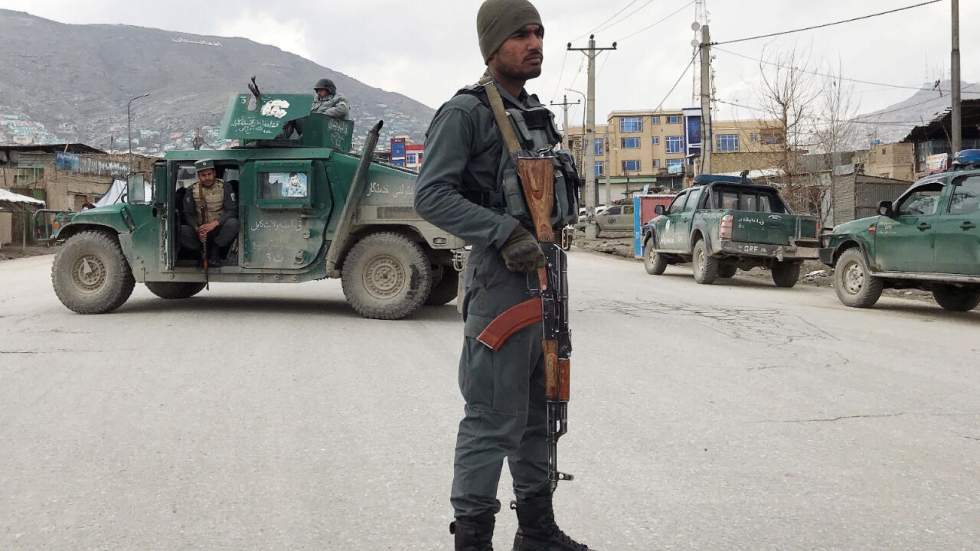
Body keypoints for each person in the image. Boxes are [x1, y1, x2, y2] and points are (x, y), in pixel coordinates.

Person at [414, 1, 590, 550]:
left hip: (546, 279)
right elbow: (431, 195)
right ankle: (473, 540)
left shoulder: (534, 113)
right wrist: (501, 232)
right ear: (492, 47)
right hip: (501, 278)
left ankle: (536, 531)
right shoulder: (466, 113)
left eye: (539, 32)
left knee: (541, 411)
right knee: (492, 417)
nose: (534, 42)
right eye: (520, 34)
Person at [180, 159, 239, 267]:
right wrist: (197, 228)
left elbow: (232, 210)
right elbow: (188, 213)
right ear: (198, 176)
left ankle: (215, 251)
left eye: (209, 174)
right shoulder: (191, 190)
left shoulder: (225, 187)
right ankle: (201, 253)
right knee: (181, 230)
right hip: (201, 230)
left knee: (233, 223)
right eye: (203, 175)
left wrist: (214, 224)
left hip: (218, 227)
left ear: (214, 173)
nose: (207, 178)